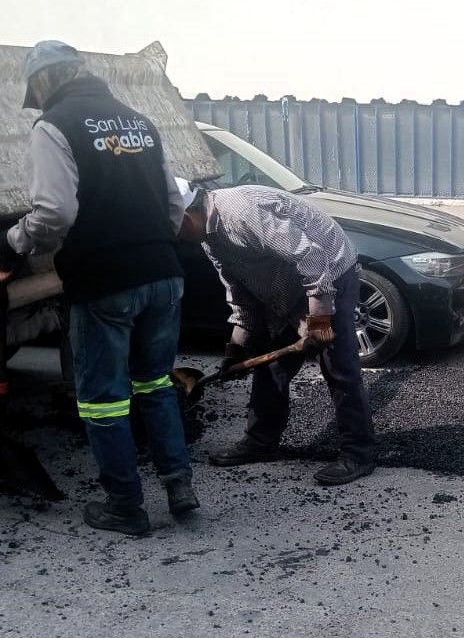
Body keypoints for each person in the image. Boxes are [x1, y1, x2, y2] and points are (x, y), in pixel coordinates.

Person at [0, 40, 197, 535]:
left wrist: (14, 241)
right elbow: (174, 205)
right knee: (155, 383)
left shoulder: (55, 125)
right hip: (164, 273)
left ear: (44, 82)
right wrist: (148, 243)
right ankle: (180, 488)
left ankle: (125, 508)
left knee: (104, 399)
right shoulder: (141, 122)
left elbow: (55, 213)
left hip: (105, 282)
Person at [175, 181, 377, 485]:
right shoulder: (208, 237)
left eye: (174, 231)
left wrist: (319, 323)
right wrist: (235, 351)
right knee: (270, 366)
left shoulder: (243, 213)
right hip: (285, 284)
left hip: (330, 272)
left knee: (338, 366)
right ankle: (260, 441)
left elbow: (312, 258)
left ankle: (359, 453)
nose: (176, 240)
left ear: (187, 217)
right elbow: (239, 294)